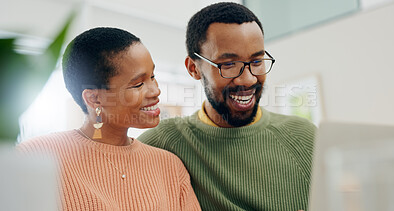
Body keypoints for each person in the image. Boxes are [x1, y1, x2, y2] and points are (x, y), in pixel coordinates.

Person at [138, 2, 316, 211]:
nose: (248, 80)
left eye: (257, 61)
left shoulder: (305, 138)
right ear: (194, 68)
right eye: (229, 65)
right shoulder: (162, 143)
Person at [17, 27, 201, 210]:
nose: (155, 90)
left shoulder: (170, 167)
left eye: (152, 76)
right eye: (138, 84)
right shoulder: (34, 158)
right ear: (94, 98)